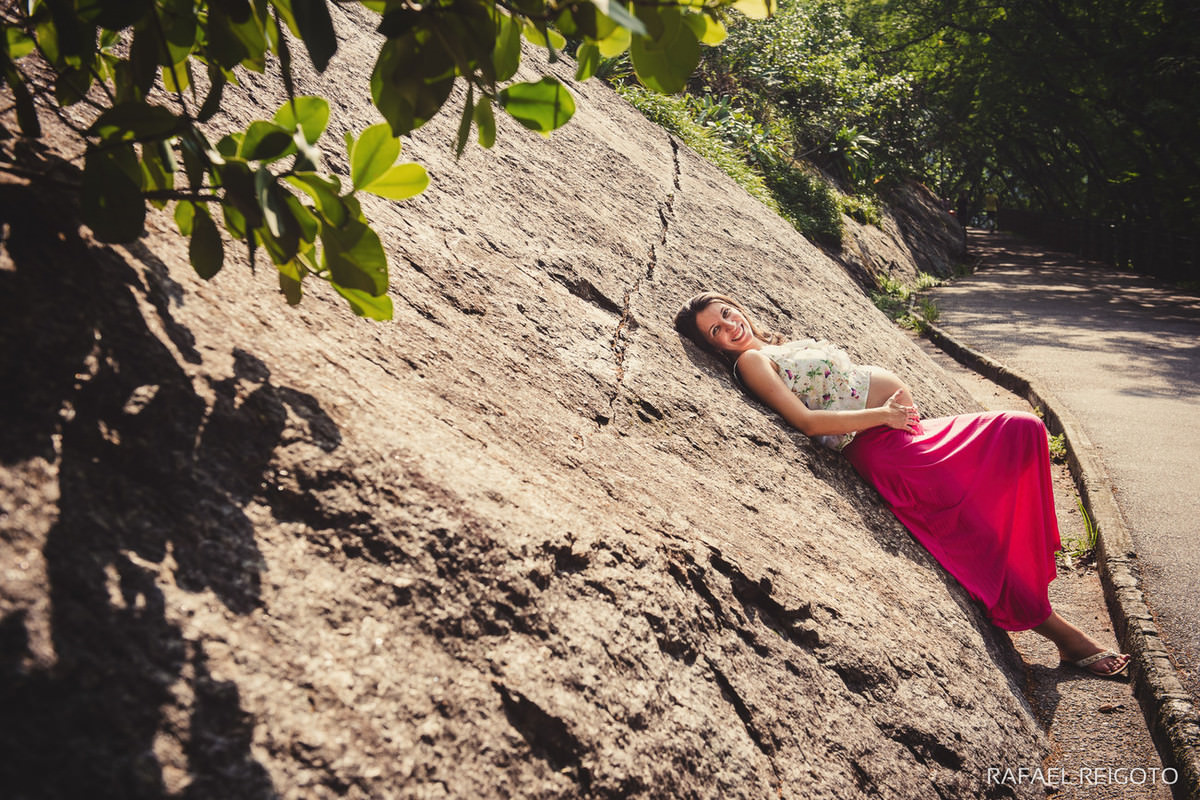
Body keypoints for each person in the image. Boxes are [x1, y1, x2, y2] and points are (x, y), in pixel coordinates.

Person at [674, 292, 1130, 678]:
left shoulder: (775, 345)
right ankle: (1065, 636)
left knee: (1021, 430)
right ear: (714, 346)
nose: (730, 327)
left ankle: (1046, 603)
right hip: (883, 445)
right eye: (716, 331)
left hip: (909, 432)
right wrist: (884, 415)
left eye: (727, 314)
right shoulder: (752, 361)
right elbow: (808, 422)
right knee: (975, 532)